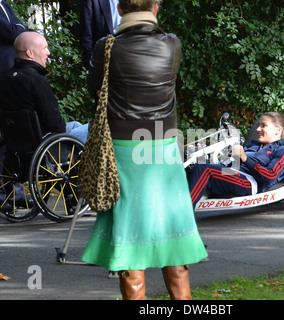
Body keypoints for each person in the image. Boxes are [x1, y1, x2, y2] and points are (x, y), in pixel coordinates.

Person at [81, 0, 207, 300]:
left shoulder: (106, 46)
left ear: (121, 10)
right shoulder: (172, 44)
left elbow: (94, 88)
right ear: (155, 8)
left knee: (129, 237)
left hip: (124, 149)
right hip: (163, 147)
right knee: (173, 233)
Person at [188, 112, 284, 208]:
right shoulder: (253, 146)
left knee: (204, 170)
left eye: (263, 126)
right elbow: (226, 164)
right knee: (192, 169)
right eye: (259, 125)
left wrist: (245, 159)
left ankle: (184, 218)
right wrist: (199, 151)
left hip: (249, 182)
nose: (258, 129)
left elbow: (270, 176)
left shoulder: (283, 151)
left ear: (277, 131)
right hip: (232, 172)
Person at [0, 31, 88, 143]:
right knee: (95, 128)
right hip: (46, 143)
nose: (48, 52)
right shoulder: (36, 80)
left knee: (76, 124)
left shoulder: (4, 78)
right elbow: (56, 125)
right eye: (44, 48)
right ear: (30, 53)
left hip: (18, 143)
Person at [80, 0, 122, 69]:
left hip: (128, 61)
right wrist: (91, 66)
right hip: (102, 64)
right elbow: (86, 36)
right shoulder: (92, 1)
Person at [0, 0, 27, 74]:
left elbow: (23, 33)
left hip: (11, 62)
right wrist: (17, 27)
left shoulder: (3, 3)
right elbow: (13, 34)